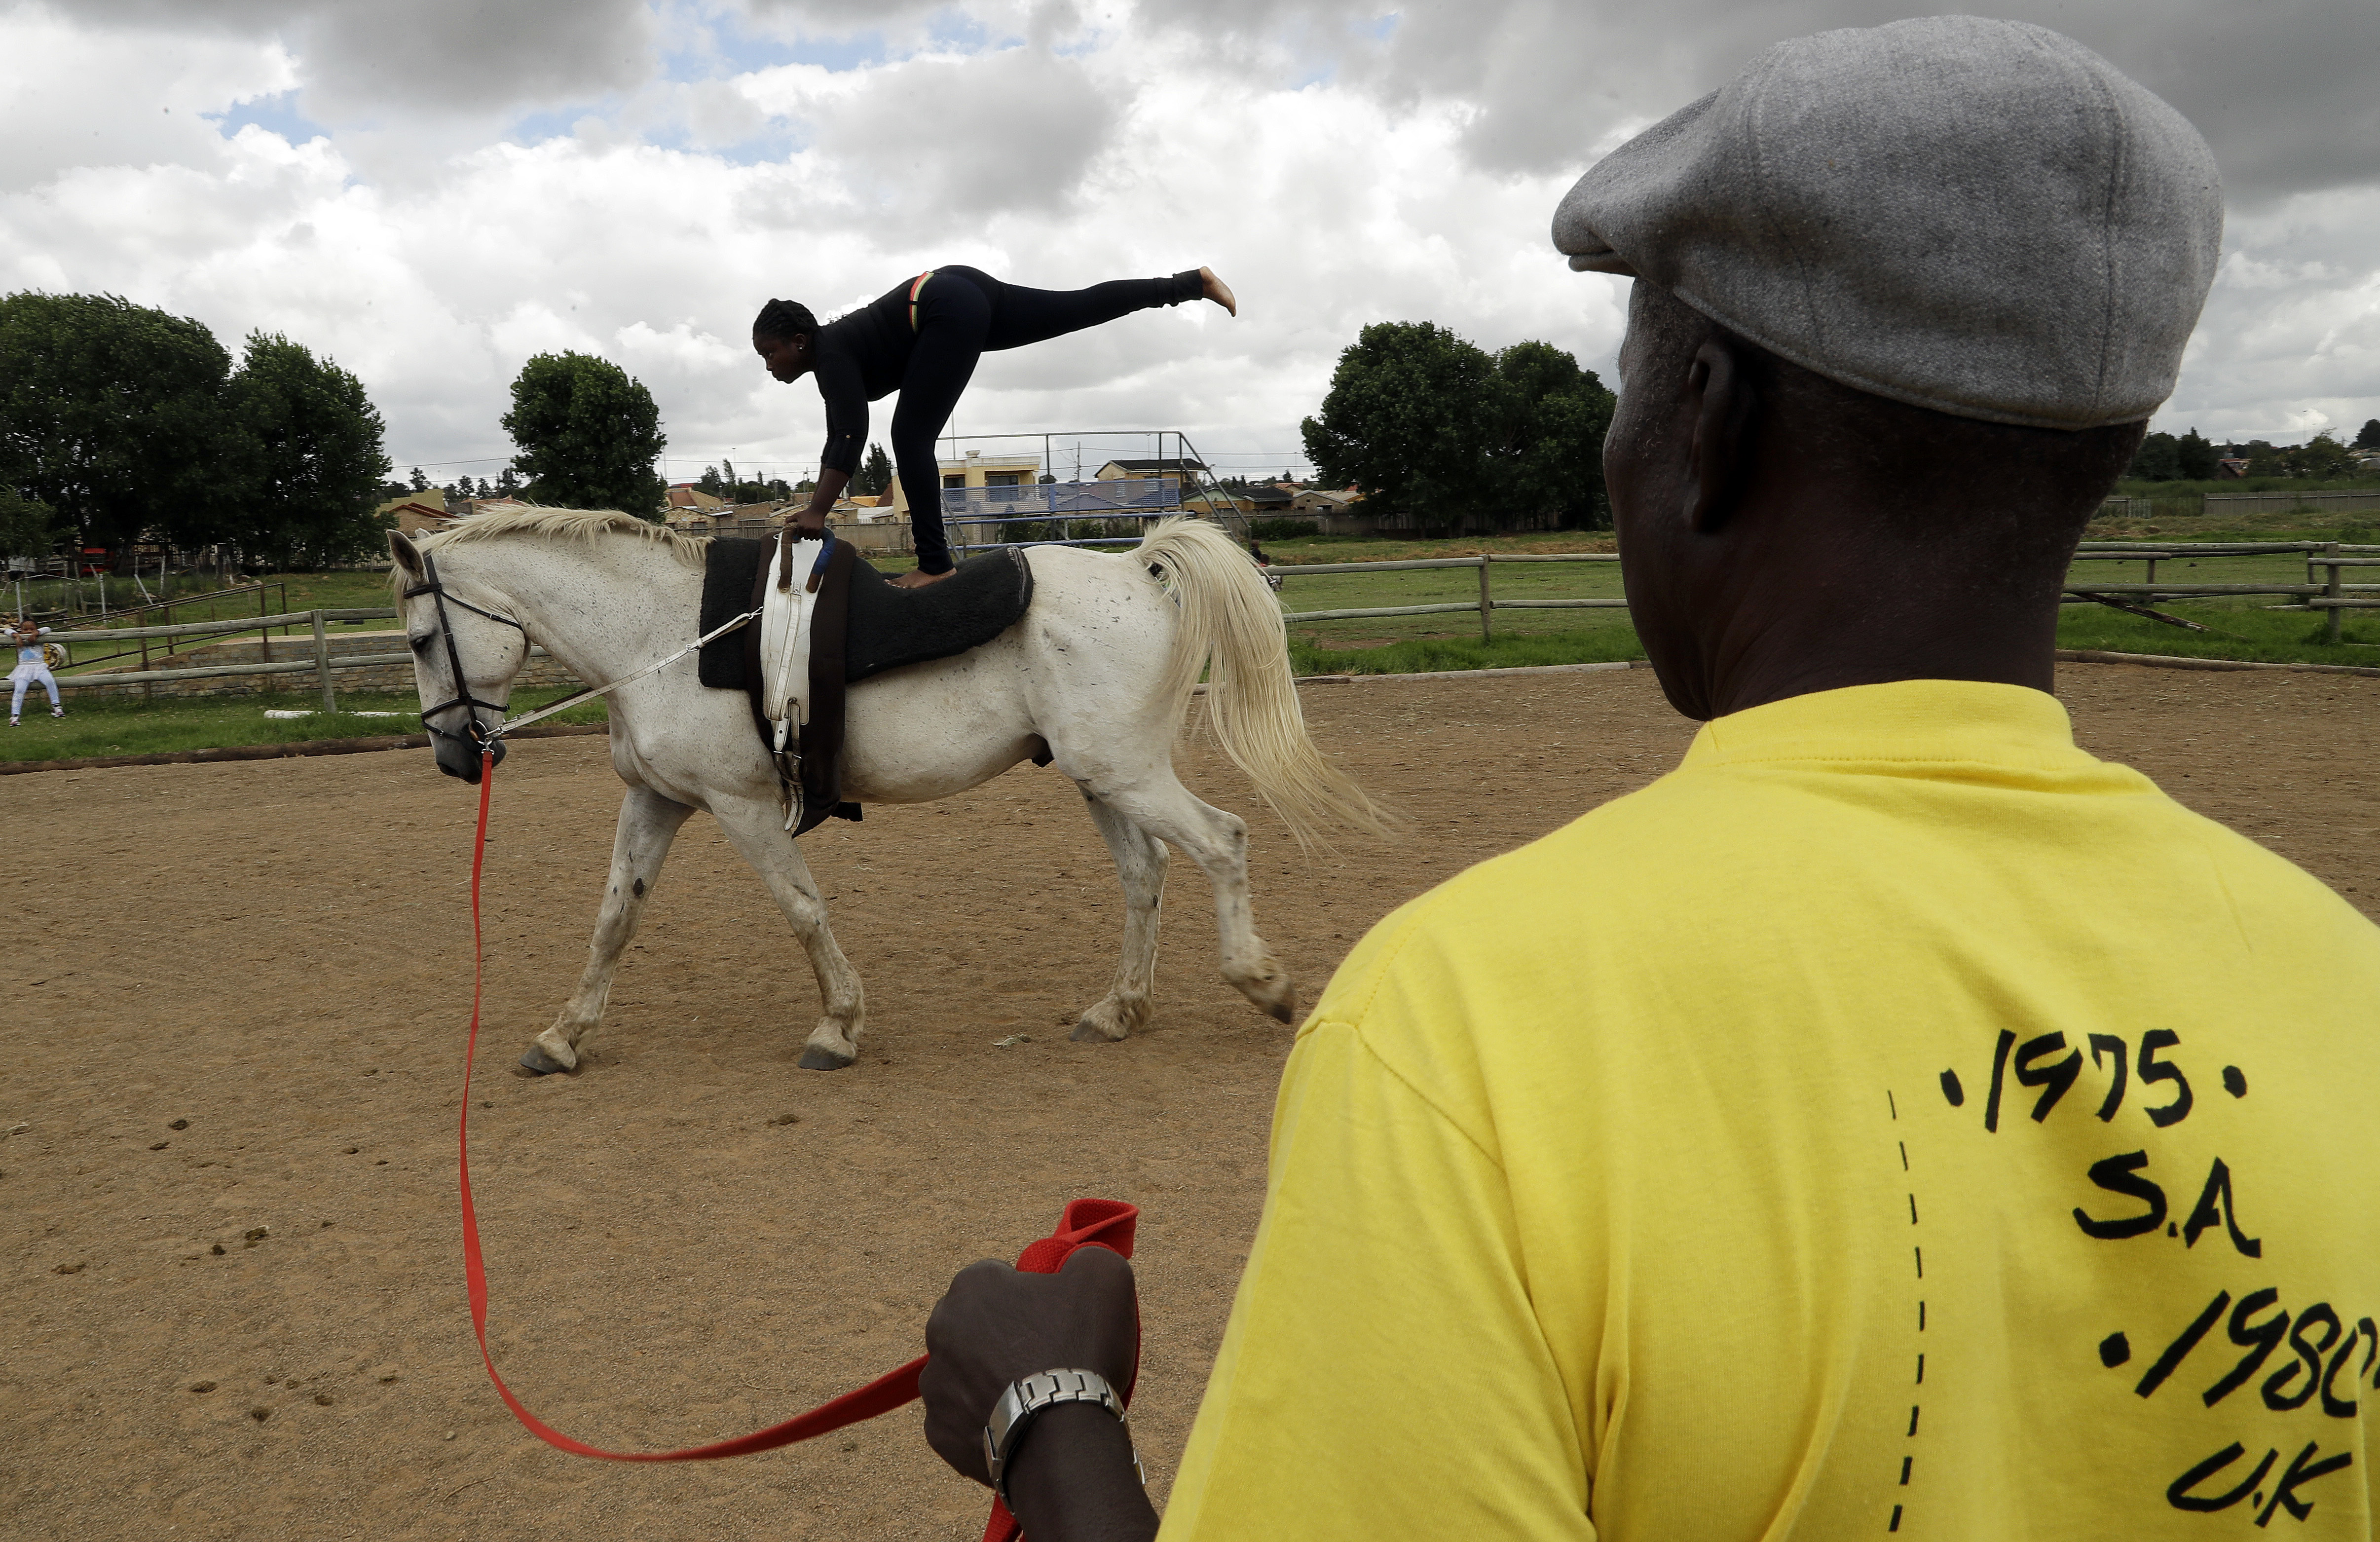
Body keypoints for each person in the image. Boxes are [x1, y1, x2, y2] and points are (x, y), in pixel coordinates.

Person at [914, 18, 2380, 1541]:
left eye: (1632, 388)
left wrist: (1053, 1428)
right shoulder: (2347, 983)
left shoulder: (1473, 1027)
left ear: (1711, 427)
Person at [753, 265, 1238, 589]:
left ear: (799, 342)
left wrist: (819, 510)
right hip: (956, 291)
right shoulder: (834, 359)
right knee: (1078, 306)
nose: (769, 365)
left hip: (942, 303)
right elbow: (839, 435)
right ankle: (1191, 283)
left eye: (771, 353)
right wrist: (815, 505)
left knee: (910, 437)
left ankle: (935, 566)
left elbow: (849, 436)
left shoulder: (832, 356)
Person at [8, 619, 62, 726]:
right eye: (25, 629)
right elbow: (7, 631)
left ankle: (57, 707)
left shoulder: (39, 636)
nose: (29, 631)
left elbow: (48, 629)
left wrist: (36, 634)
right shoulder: (19, 637)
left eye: (32, 629)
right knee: (20, 689)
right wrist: (17, 636)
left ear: (36, 629)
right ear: (21, 630)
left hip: (39, 667)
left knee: (50, 681)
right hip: (24, 669)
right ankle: (15, 716)